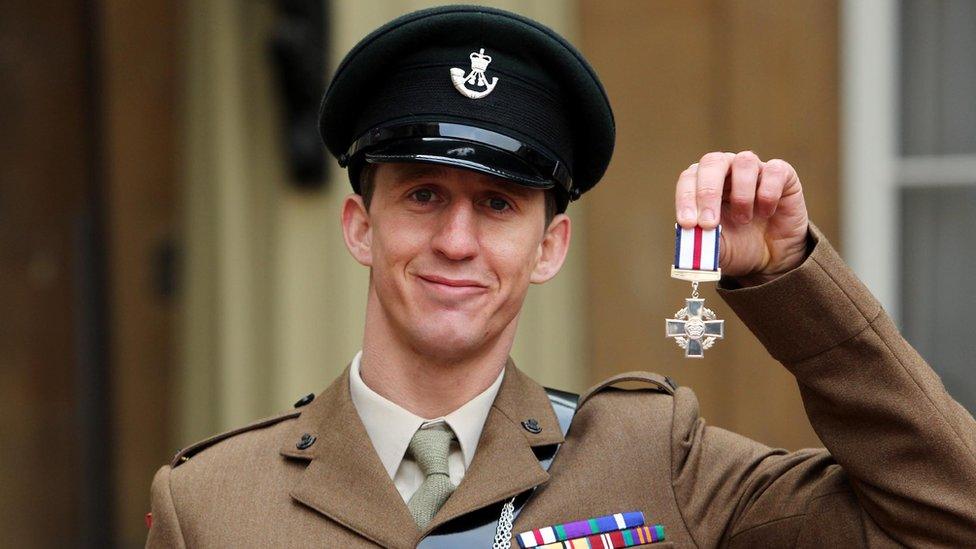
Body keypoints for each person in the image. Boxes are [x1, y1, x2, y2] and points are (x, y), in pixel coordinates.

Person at [145, 5, 976, 548]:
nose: (458, 240)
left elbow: (948, 513)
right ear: (361, 225)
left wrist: (790, 279)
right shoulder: (214, 503)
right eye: (424, 195)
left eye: (500, 205)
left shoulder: (656, 461)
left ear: (551, 246)